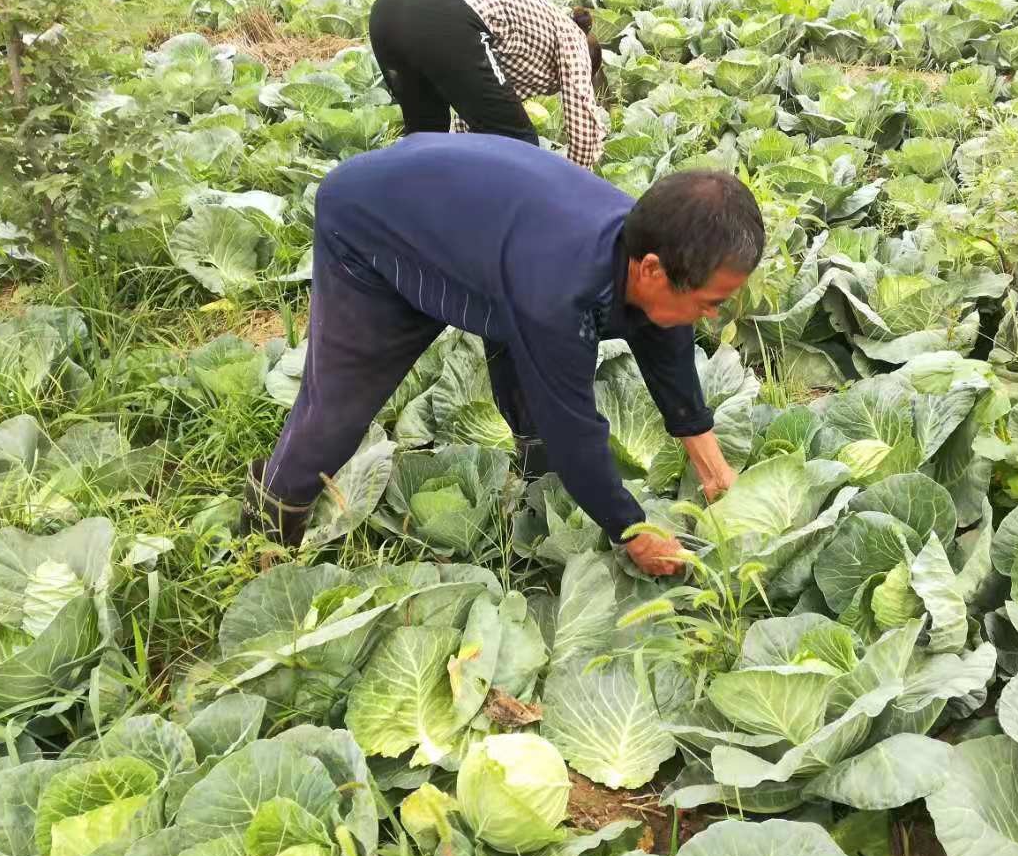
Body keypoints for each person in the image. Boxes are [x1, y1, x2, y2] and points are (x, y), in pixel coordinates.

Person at [240, 132, 765, 577]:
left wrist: (715, 469)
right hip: (375, 224)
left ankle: (541, 494)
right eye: (710, 303)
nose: (712, 317)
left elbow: (667, 343)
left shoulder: (656, 245)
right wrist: (634, 532)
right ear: (652, 270)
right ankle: (260, 544)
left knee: (528, 347)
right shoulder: (557, 293)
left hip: (474, 223)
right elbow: (574, 427)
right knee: (339, 407)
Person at [368, 0, 608, 170]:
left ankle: (419, 214)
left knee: (428, 140)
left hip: (388, 8)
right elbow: (584, 128)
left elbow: (474, 100)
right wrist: (574, 188)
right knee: (520, 145)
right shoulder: (575, 39)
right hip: (444, 12)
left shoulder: (533, 33)